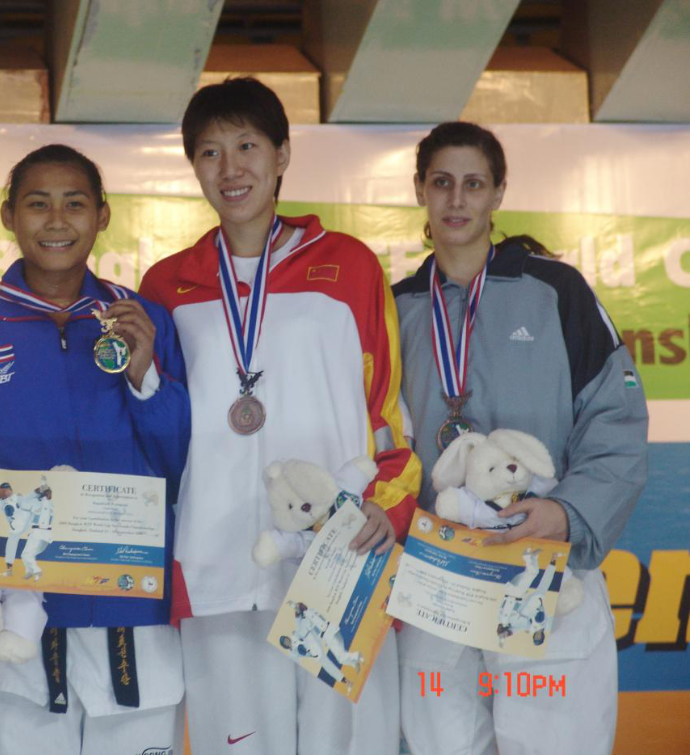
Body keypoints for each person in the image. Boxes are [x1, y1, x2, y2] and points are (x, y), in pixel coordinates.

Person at [139, 77, 420, 755]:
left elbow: (385, 408)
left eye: (247, 146)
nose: (230, 168)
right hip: (216, 561)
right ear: (194, 167)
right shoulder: (166, 284)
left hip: (341, 554)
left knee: (349, 745)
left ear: (283, 155)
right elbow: (159, 426)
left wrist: (388, 504)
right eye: (210, 152)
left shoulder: (349, 265)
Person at [0, 144, 191, 755]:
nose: (56, 220)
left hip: (131, 615)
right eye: (37, 204)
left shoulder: (144, 321)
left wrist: (145, 375)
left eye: (74, 204)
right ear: (8, 215)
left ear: (102, 215)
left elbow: (180, 462)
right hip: (15, 623)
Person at [393, 121, 648, 755]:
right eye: (442, 182)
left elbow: (615, 421)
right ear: (420, 190)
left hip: (542, 562)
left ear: (499, 193)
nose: (457, 199)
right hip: (437, 579)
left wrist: (567, 513)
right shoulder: (397, 308)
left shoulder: (557, 292)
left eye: (474, 184)